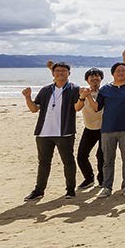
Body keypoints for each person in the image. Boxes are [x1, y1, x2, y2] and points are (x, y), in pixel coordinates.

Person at [21, 61, 85, 201]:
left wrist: (82, 97)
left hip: (65, 132)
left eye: (63, 71)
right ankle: (39, 190)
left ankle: (70, 190)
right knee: (43, 162)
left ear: (69, 73)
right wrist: (27, 98)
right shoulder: (46, 90)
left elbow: (78, 108)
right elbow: (34, 109)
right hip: (44, 133)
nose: (60, 73)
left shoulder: (74, 89)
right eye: (57, 71)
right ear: (53, 73)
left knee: (68, 161)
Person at [89, 57, 125, 197]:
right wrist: (88, 97)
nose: (121, 72)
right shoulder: (105, 89)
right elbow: (97, 108)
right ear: (112, 73)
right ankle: (107, 187)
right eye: (118, 70)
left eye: (123, 70)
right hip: (108, 129)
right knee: (108, 160)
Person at [74, 67, 104, 189]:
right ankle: (89, 178)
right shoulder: (82, 92)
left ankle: (102, 180)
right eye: (91, 77)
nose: (94, 78)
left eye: (97, 76)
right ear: (87, 80)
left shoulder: (105, 91)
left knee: (101, 156)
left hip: (104, 129)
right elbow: (77, 108)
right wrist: (83, 96)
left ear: (101, 78)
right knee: (81, 156)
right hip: (89, 128)